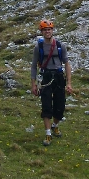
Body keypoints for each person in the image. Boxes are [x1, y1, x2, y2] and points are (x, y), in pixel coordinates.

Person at [31, 19, 72, 147]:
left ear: (52, 30)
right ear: (42, 32)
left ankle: (55, 125)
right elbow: (33, 66)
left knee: (60, 106)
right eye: (45, 30)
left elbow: (67, 64)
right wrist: (33, 84)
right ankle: (48, 134)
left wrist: (69, 83)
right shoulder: (39, 47)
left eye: (49, 29)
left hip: (59, 77)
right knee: (46, 105)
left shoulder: (60, 46)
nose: (47, 31)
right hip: (46, 77)